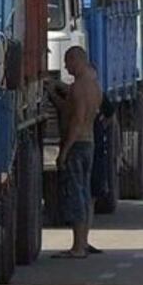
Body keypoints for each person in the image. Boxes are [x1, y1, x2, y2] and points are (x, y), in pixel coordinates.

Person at [46, 46, 103, 258]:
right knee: (85, 193)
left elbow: (77, 120)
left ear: (77, 60)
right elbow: (72, 109)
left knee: (76, 195)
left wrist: (64, 151)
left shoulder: (79, 88)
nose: (65, 66)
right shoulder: (94, 86)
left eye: (68, 61)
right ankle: (83, 242)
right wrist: (54, 93)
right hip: (89, 144)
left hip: (77, 145)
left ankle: (78, 247)